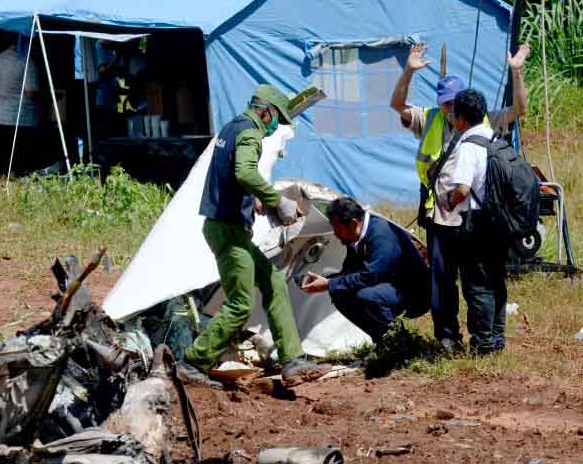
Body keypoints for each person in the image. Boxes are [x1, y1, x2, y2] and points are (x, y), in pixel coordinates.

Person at [178, 84, 328, 387]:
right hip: (228, 230)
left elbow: (229, 174)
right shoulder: (251, 132)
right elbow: (244, 173)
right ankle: (193, 361)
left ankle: (292, 360)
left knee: (273, 283)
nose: (276, 127)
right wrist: (278, 201)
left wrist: (254, 199)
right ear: (265, 112)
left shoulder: (231, 127)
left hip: (228, 225)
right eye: (276, 120)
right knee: (240, 303)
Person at [389, 42, 529, 351]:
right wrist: (408, 71)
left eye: (453, 103)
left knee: (477, 282)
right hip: (441, 216)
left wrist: (516, 72)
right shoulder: (429, 119)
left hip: (474, 217)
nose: (449, 110)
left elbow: (519, 109)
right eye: (444, 103)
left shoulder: (483, 119)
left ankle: (485, 338)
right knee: (442, 280)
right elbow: (398, 105)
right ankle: (448, 337)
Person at [299, 198, 428, 343]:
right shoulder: (356, 235)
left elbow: (370, 276)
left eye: (337, 228)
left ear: (353, 224)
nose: (335, 233)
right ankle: (384, 340)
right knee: (339, 291)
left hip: (412, 290)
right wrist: (326, 280)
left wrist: (329, 284)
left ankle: (399, 339)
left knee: (363, 294)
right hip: (388, 282)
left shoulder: (380, 234)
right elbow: (351, 270)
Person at [443, 89, 508, 355]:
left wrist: (448, 202)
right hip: (501, 221)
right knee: (496, 281)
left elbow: (462, 189)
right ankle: (497, 337)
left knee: (477, 286)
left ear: (460, 119)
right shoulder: (495, 139)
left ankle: (483, 344)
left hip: (477, 224)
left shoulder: (468, 146)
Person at [0, 42, 42, 176]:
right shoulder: (27, 61)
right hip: (23, 117)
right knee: (22, 162)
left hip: (2, 116)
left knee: (6, 160)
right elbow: (31, 92)